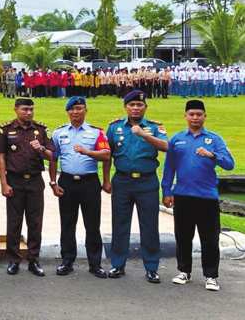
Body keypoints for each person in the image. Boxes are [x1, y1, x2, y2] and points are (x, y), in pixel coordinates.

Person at [162, 99, 234, 291]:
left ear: (204, 116)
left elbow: (229, 164)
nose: (195, 118)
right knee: (183, 236)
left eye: (199, 115)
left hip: (207, 196)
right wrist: (167, 191)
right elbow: (169, 168)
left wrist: (212, 155)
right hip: (183, 195)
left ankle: (211, 276)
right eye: (191, 114)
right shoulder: (177, 140)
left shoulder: (214, 139)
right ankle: (184, 271)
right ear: (185, 116)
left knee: (209, 238)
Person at [106, 90, 168, 283]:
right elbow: (107, 154)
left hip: (146, 182)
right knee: (120, 223)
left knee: (149, 225)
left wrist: (144, 134)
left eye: (139, 105)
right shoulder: (115, 128)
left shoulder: (154, 127)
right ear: (126, 107)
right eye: (131, 105)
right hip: (122, 181)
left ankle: (151, 267)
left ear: (145, 107)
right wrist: (106, 179)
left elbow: (166, 147)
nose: (135, 108)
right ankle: (118, 264)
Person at [48, 96, 111, 278]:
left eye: (80, 108)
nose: (76, 112)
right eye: (73, 109)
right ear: (67, 112)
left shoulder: (96, 132)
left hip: (89, 182)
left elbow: (106, 155)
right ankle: (67, 261)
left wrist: (87, 152)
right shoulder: (59, 133)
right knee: (67, 223)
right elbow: (53, 158)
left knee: (92, 224)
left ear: (86, 110)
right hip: (67, 182)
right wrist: (53, 182)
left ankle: (95, 263)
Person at [0, 97, 54, 277]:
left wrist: (41, 149)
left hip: (35, 181)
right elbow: (1, 157)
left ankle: (33, 259)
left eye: (31, 109)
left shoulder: (41, 130)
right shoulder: (5, 130)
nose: (28, 113)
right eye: (24, 109)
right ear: (16, 109)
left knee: (35, 222)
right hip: (15, 181)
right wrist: (4, 183)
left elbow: (52, 156)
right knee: (14, 222)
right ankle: (13, 260)